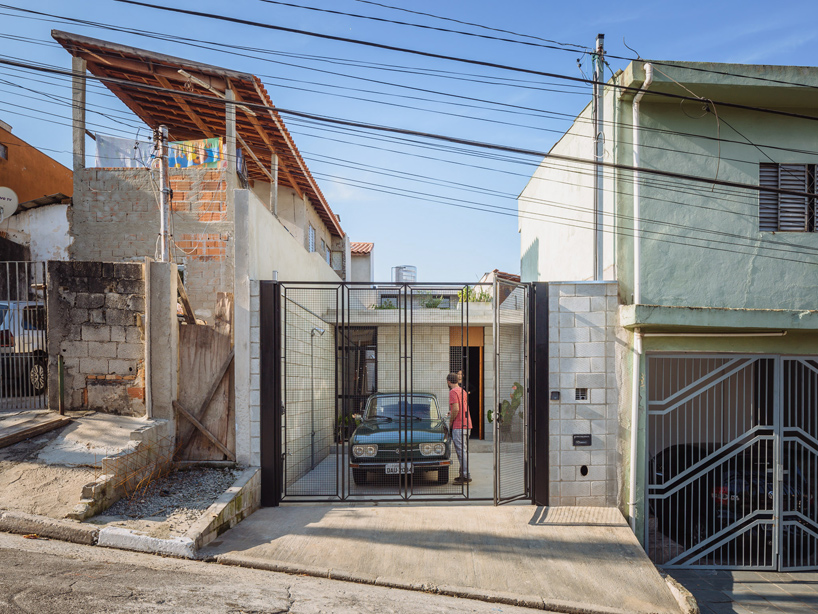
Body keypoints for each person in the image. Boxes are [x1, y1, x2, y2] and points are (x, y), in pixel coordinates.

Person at [446, 372, 472, 484]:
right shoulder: (463, 391)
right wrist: (451, 412)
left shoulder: (452, 392)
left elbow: (456, 409)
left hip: (459, 425)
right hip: (467, 424)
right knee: (464, 451)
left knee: (461, 451)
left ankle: (466, 475)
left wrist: (451, 422)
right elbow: (461, 407)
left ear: (448, 381)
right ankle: (463, 474)